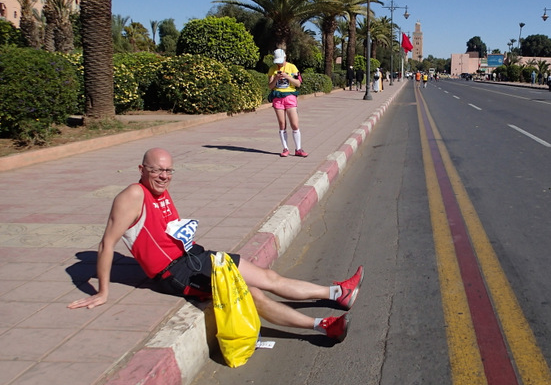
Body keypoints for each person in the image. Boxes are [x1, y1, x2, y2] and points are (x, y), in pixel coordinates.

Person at [67, 148, 363, 342]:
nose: (163, 176)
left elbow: (163, 231)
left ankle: (339, 293)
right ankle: (323, 326)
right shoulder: (133, 195)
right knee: (252, 293)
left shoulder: (162, 191)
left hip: (194, 255)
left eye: (168, 171)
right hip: (175, 273)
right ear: (141, 168)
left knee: (267, 277)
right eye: (157, 170)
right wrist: (103, 292)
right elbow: (107, 244)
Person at [267, 49, 307, 158]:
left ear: (285, 57)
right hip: (277, 97)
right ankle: (285, 148)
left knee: (294, 124)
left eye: (281, 61)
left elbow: (298, 83)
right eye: (277, 62)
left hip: (290, 96)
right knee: (282, 124)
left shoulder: (292, 67)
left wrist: (288, 76)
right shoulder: (272, 69)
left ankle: (298, 149)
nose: (279, 64)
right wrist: (275, 78)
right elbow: (270, 86)